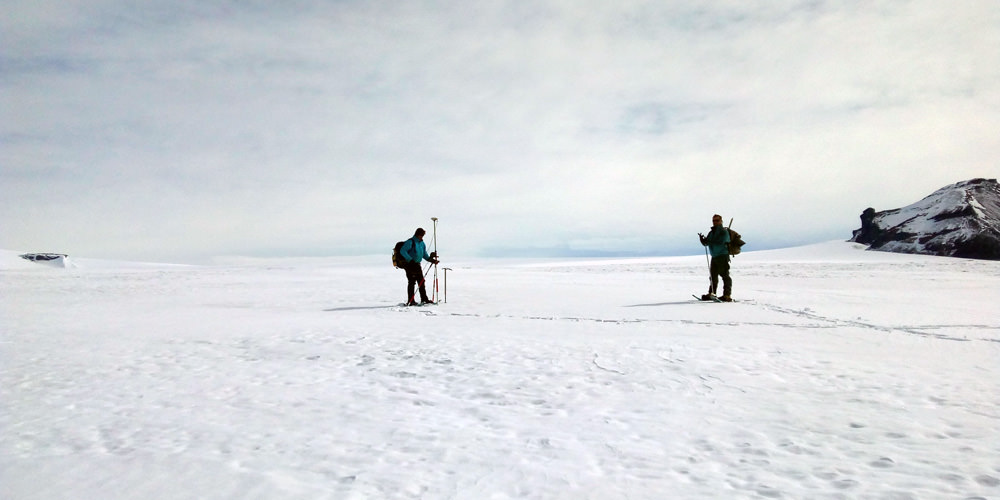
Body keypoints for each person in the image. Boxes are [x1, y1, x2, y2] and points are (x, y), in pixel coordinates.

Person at [400, 228, 439, 306]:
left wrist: (431, 260)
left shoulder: (422, 243)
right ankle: (411, 301)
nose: (422, 237)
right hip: (410, 265)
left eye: (423, 235)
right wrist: (410, 260)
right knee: (412, 282)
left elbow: (424, 254)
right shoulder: (410, 242)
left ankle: (424, 299)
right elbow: (402, 251)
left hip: (417, 265)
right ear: (417, 234)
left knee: (421, 281)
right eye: (421, 235)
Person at [699, 214, 733, 302]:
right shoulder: (711, 233)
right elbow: (707, 243)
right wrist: (703, 241)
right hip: (714, 256)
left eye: (717, 220)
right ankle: (712, 293)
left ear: (721, 221)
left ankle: (727, 295)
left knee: (725, 275)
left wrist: (708, 241)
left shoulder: (724, 232)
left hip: (722, 256)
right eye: (714, 220)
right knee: (713, 276)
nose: (715, 222)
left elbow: (720, 242)